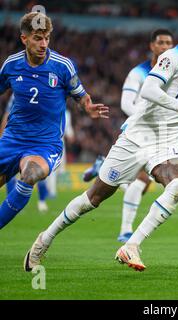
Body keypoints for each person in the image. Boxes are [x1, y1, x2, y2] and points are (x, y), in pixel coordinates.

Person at [24, 15, 178, 272]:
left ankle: (132, 245)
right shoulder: (174, 58)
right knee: (93, 198)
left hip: (166, 143)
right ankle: (45, 239)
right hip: (136, 136)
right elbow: (149, 90)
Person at [0, 12, 109, 229]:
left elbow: (81, 95)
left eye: (47, 38)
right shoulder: (11, 65)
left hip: (45, 143)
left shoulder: (62, 66)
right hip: (12, 139)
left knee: (30, 174)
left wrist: (88, 107)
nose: (43, 44)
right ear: (24, 39)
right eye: (37, 38)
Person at [83, 29, 174, 242]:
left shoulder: (175, 73)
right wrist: (150, 121)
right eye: (161, 42)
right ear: (152, 46)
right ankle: (125, 230)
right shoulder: (138, 73)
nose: (165, 47)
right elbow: (126, 104)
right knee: (142, 181)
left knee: (142, 184)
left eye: (169, 43)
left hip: (160, 135)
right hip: (139, 132)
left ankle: (103, 167)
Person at [1, 94, 50, 212]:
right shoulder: (17, 95)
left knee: (35, 172)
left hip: (39, 142)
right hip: (17, 140)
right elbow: (7, 116)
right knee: (8, 175)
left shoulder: (47, 93)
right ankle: (12, 202)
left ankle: (42, 200)